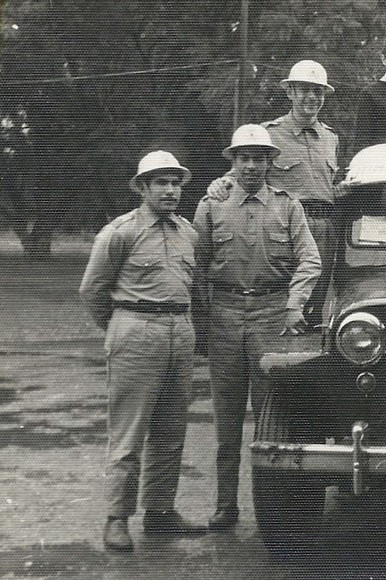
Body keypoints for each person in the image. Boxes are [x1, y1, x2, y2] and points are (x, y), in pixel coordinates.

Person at [194, 125, 321, 531]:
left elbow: (310, 261)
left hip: (272, 315)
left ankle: (277, 511)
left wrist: (293, 305)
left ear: (270, 163)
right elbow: (195, 267)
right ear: (232, 162)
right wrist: (201, 321)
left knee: (274, 416)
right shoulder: (211, 206)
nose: (251, 165)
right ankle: (225, 505)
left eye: (259, 158)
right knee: (227, 421)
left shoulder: (288, 206)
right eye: (243, 157)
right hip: (225, 315)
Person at [80, 151, 206, 552]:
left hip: (179, 331)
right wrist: (122, 328)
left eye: (175, 183)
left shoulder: (188, 232)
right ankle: (116, 519)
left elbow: (193, 286)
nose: (170, 190)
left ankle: (160, 513)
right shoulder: (120, 232)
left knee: (170, 431)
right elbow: (93, 290)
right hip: (136, 329)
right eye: (161, 183)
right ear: (143, 188)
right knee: (129, 432)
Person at [207, 60, 338, 328]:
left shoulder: (330, 138)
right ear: (290, 92)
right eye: (304, 90)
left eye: (318, 91)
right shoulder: (269, 133)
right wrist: (219, 183)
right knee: (286, 300)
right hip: (286, 228)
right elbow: (239, 173)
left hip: (324, 226)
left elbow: (326, 186)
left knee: (318, 301)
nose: (312, 97)